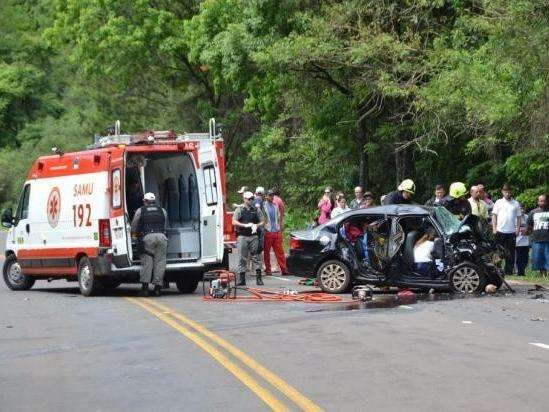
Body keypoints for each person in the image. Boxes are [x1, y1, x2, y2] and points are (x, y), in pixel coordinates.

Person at [131, 192, 168, 296]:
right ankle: (157, 289)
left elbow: (134, 226)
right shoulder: (162, 210)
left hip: (148, 237)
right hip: (162, 237)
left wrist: (135, 235)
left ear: (145, 201)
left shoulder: (140, 211)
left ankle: (145, 289)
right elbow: (165, 225)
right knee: (160, 262)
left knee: (147, 262)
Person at [233, 191, 265, 286]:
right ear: (244, 199)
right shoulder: (240, 209)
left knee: (256, 257)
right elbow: (234, 222)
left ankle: (259, 278)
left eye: (252, 198)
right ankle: (242, 279)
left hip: (253, 236)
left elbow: (263, 221)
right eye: (249, 199)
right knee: (242, 258)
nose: (251, 200)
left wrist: (256, 225)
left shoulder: (256, 209)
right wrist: (244, 225)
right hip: (242, 236)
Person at [492, 184, 521, 276]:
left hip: (511, 231)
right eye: (505, 191)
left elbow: (519, 217)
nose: (507, 193)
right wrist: (494, 228)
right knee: (498, 252)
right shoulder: (498, 202)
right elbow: (494, 215)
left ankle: (508, 271)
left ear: (511, 192)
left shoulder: (516, 203)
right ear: (502, 192)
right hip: (500, 231)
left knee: (510, 253)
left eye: (509, 191)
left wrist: (518, 229)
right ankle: (496, 270)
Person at [262, 189, 288, 276]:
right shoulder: (263, 206)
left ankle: (284, 269)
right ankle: (268, 269)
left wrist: (280, 227)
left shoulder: (275, 205)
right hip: (268, 231)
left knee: (280, 251)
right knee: (267, 252)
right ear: (266, 196)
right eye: (270, 195)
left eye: (272, 195)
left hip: (276, 231)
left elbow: (279, 217)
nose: (272, 197)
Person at [527, 194, 549, 277]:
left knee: (548, 257)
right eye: (540, 201)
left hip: (548, 239)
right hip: (537, 239)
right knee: (538, 259)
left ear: (547, 201)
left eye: (544, 200)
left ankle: (547, 275)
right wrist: (530, 234)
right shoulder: (533, 212)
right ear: (538, 202)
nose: (542, 202)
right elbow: (529, 225)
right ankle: (542, 275)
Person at [515, 205, 529, 276]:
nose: (522, 210)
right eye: (521, 209)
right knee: (517, 259)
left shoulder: (527, 217)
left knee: (525, 259)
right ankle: (517, 272)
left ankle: (522, 272)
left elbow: (530, 227)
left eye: (523, 208)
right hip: (516, 242)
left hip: (525, 242)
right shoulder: (514, 217)